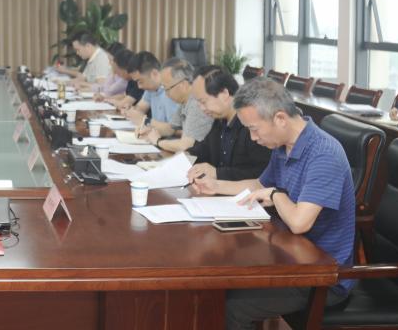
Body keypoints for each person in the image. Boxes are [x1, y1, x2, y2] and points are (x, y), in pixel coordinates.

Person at [189, 78, 355, 329]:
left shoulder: (324, 154)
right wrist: (216, 186)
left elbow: (299, 222)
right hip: (287, 256)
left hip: (321, 275)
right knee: (214, 287)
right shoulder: (283, 145)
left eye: (254, 129)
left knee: (230, 307)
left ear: (280, 118)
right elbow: (259, 185)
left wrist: (276, 195)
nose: (253, 137)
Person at [187, 66, 271, 182]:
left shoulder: (252, 124)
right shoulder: (220, 120)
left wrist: (217, 173)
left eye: (203, 102)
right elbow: (203, 150)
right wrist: (186, 156)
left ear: (224, 93)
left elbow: (262, 172)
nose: (202, 108)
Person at [137, 58, 213, 152]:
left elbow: (185, 146)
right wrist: (149, 131)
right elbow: (170, 129)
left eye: (167, 88)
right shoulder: (185, 101)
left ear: (183, 85)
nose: (166, 94)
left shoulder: (197, 103)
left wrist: (158, 141)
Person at [124, 52, 179, 128]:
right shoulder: (151, 90)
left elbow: (175, 129)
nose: (139, 87)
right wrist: (131, 111)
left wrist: (145, 121)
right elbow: (140, 108)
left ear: (154, 73)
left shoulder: (172, 91)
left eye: (140, 81)